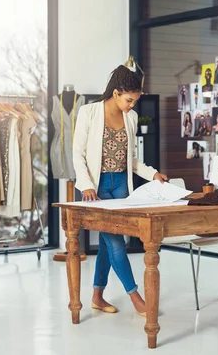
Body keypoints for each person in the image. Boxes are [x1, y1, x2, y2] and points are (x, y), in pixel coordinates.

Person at [73, 65, 169, 317]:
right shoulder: (89, 112)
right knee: (115, 242)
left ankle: (97, 296)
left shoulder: (131, 118)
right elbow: (78, 153)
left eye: (135, 101)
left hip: (121, 185)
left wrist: (152, 174)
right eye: (129, 100)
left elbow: (132, 158)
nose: (131, 105)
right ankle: (135, 295)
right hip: (97, 187)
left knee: (109, 242)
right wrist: (87, 186)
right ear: (116, 93)